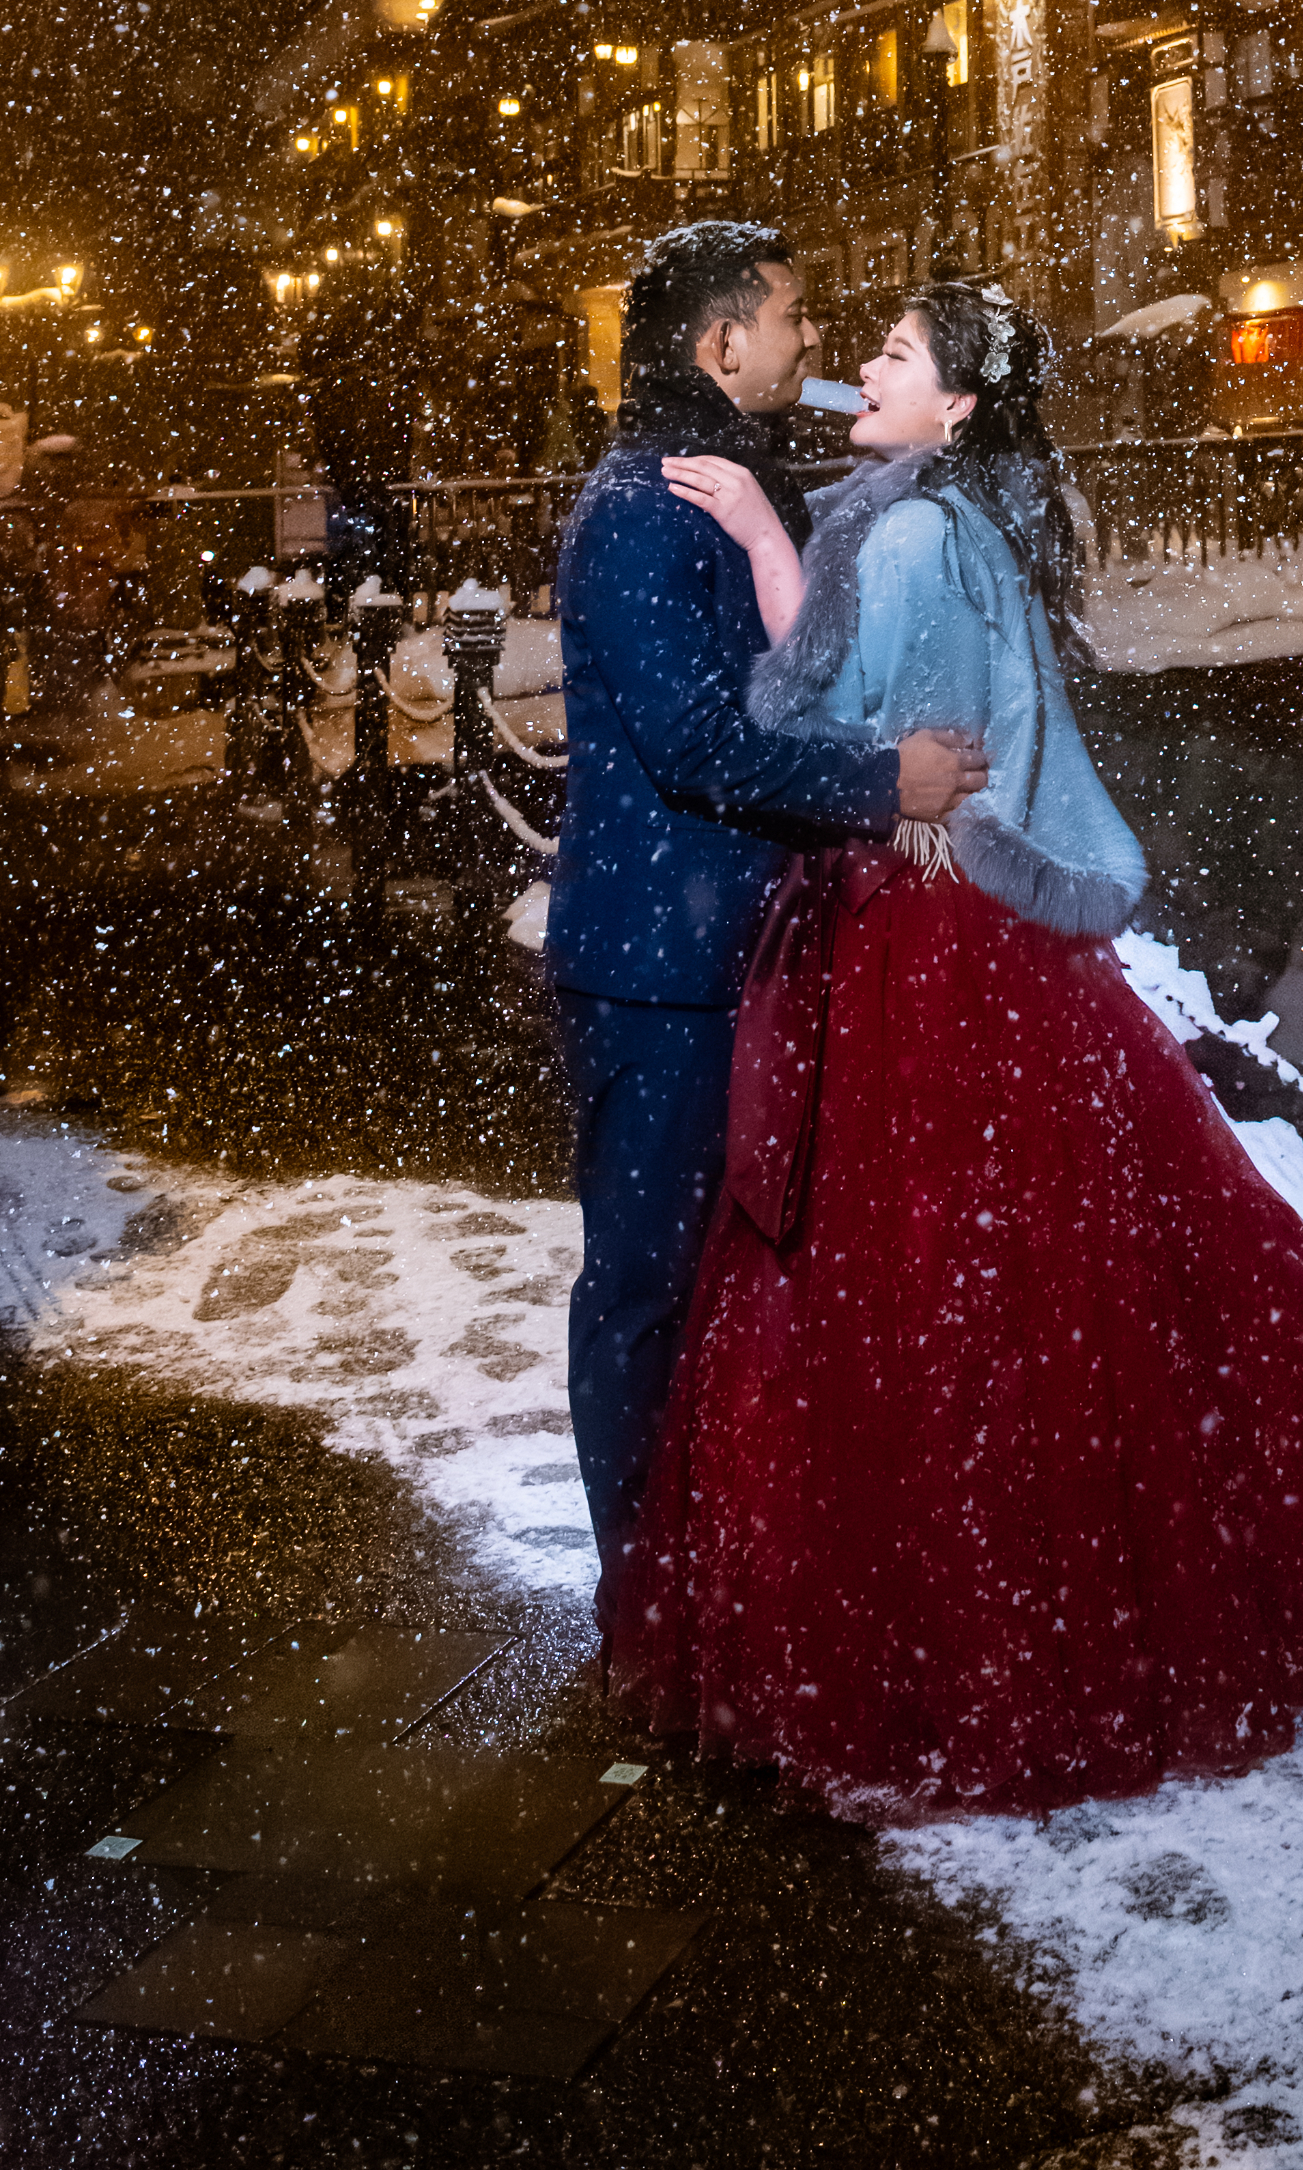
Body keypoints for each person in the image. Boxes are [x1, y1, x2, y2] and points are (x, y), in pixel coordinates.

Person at [609, 272, 1303, 1811]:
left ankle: (961, 1637)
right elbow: (875, 724)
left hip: (922, 935)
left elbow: (882, 746)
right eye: (857, 345)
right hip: (916, 922)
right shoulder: (909, 514)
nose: (856, 368)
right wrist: (770, 544)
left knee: (924, 1281)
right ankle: (996, 1608)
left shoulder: (923, 528)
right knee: (976, 1276)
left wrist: (756, 545)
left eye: (893, 355)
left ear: (961, 408)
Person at [549, 221, 988, 1633]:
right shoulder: (640, 506)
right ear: (722, 342)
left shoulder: (724, 491)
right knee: (648, 1288)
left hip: (735, 954)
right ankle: (648, 1600)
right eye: (790, 316)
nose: (809, 340)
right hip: (662, 975)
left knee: (735, 1284)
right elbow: (692, 741)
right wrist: (886, 786)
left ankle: (715, 1570)